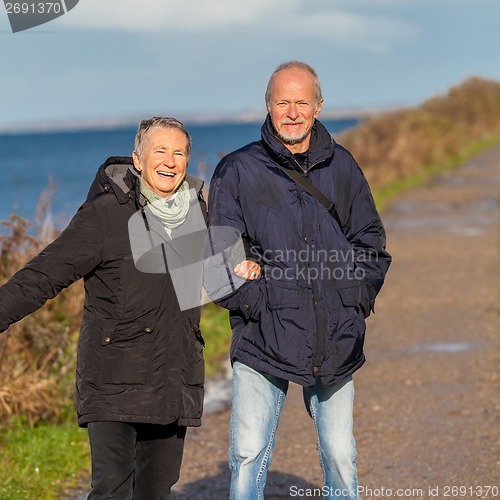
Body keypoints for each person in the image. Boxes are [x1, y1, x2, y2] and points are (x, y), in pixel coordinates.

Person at [0, 117, 260, 499]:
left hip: (173, 378)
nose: (169, 162)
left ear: (187, 161)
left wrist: (252, 261)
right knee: (111, 491)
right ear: (138, 159)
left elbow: (232, 257)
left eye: (178, 153)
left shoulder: (198, 215)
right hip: (113, 380)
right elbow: (43, 275)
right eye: (160, 151)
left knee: (156, 493)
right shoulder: (105, 215)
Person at [206, 62, 392, 499]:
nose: (292, 112)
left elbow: (370, 243)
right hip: (263, 333)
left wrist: (355, 298)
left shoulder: (343, 166)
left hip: (335, 332)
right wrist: (259, 302)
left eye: (301, 102)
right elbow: (218, 261)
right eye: (282, 102)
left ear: (319, 106)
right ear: (268, 106)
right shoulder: (237, 170)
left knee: (340, 455)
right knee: (248, 454)